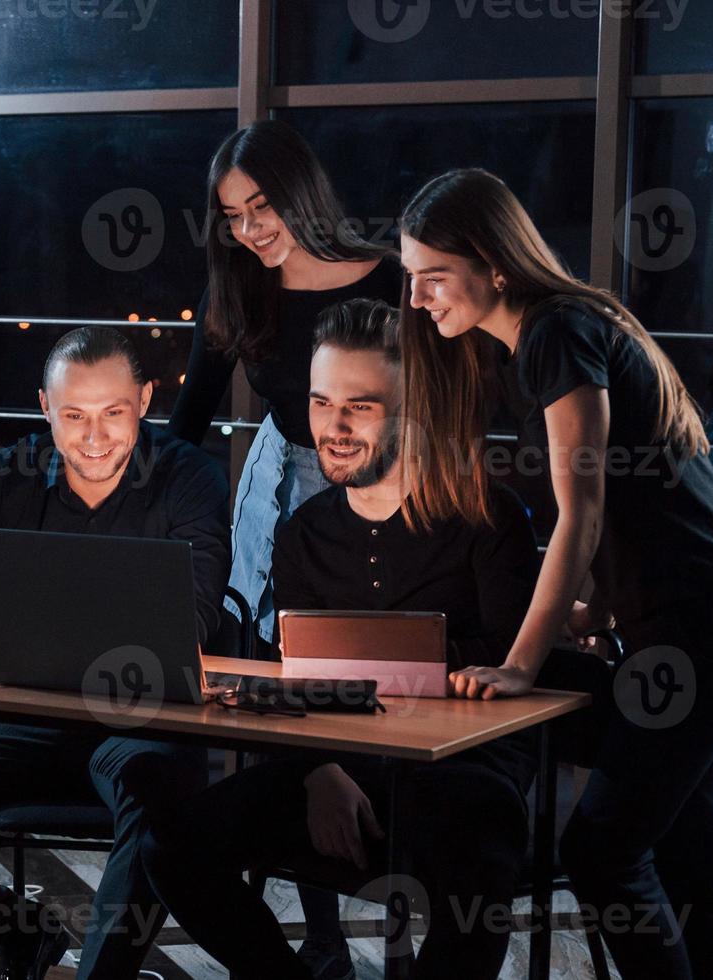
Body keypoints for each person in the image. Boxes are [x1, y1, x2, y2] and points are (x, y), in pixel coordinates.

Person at [399, 168, 713, 979]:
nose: (418, 298)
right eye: (411, 278)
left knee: (604, 851)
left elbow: (583, 513)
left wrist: (518, 662)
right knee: (691, 858)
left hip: (704, 627)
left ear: (491, 263)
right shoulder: (557, 330)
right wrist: (593, 611)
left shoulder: (553, 333)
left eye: (432, 276)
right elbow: (643, 514)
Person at [143, 298, 540, 979]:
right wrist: (319, 772)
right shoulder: (301, 533)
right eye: (323, 403)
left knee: (475, 844)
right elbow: (297, 679)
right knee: (171, 847)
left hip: (463, 773)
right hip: (343, 764)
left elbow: (510, 690)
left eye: (361, 405)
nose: (335, 425)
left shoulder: (487, 517)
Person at [0, 327, 230, 980]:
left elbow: (192, 619)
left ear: (144, 400)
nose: (92, 437)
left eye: (113, 413)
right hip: (23, 719)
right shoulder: (4, 474)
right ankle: (23, 935)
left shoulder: (190, 478)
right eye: (72, 415)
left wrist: (44, 623)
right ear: (43, 406)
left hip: (141, 718)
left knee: (150, 802)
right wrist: (8, 626)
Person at [165, 119, 401, 978]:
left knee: (371, 673)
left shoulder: (392, 278)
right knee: (280, 677)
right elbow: (189, 418)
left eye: (261, 207)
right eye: (232, 215)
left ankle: (391, 868)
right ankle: (323, 939)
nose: (250, 230)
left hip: (382, 477)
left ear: (302, 194)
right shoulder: (240, 289)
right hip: (279, 488)